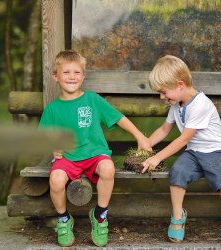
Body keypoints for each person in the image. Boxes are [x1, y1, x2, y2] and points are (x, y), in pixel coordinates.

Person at [39, 50, 152, 247]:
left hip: (94, 154)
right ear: (55, 77)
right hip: (68, 157)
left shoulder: (92, 100)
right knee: (55, 179)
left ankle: (100, 216)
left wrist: (140, 136)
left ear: (83, 76)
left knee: (108, 168)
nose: (72, 77)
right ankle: (64, 219)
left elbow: (119, 118)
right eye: (66, 72)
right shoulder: (53, 109)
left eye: (76, 72)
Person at [141, 55, 221, 246]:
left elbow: (184, 138)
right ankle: (178, 216)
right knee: (178, 172)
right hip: (194, 152)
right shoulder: (176, 104)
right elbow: (164, 129)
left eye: (163, 92)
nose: (162, 97)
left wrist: (157, 157)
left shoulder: (201, 104)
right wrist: (146, 145)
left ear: (180, 84)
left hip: (215, 150)